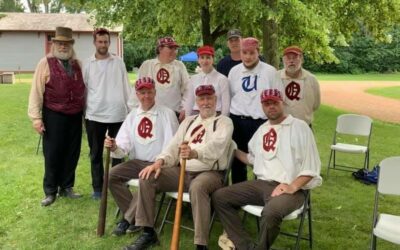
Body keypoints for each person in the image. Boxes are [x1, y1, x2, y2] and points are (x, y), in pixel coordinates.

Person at [124, 85, 234, 250]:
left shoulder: (224, 122)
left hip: (210, 173)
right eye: (202, 99)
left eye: (209, 98)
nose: (206, 102)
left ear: (215, 100)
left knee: (197, 187)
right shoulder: (189, 121)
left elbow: (217, 146)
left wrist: (194, 153)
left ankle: (201, 244)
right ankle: (148, 233)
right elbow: (173, 146)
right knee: (148, 178)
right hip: (183, 170)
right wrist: (159, 162)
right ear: (196, 101)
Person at [212, 88, 322, 250]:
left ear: (282, 103)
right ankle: (244, 245)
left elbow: (311, 167)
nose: (271, 106)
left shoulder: (300, 127)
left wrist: (292, 186)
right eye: (267, 103)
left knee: (271, 212)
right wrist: (233, 149)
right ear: (262, 106)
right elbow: (253, 159)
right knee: (220, 196)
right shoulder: (262, 129)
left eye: (274, 102)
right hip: (262, 184)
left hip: (292, 189)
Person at [104, 77, 178, 236]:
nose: (146, 96)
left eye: (149, 92)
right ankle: (135, 215)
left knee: (146, 177)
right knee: (111, 176)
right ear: (137, 94)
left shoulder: (167, 114)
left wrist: (160, 163)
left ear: (155, 92)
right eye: (142, 93)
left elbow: (172, 145)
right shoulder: (132, 116)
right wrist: (115, 146)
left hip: (159, 164)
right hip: (137, 162)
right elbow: (123, 146)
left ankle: (127, 219)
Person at [28, 26, 85, 206]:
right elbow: (36, 91)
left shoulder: (78, 64)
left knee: (72, 153)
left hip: (75, 115)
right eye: (60, 43)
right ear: (54, 44)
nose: (63, 47)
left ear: (71, 45)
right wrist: (36, 118)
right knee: (53, 153)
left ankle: (67, 187)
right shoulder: (45, 63)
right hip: (54, 115)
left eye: (66, 43)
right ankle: (50, 190)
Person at [83, 28, 134, 199]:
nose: (103, 45)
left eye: (106, 42)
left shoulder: (118, 62)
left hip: (118, 114)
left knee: (118, 152)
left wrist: (131, 110)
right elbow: (83, 89)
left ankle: (117, 183)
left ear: (109, 43)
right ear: (94, 42)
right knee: (96, 153)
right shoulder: (88, 64)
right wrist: (83, 112)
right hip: (94, 115)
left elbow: (126, 86)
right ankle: (98, 188)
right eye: (100, 41)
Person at [228, 37, 277, 184]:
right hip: (238, 121)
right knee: (237, 161)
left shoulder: (270, 72)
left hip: (261, 122)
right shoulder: (234, 72)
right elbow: (231, 96)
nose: (248, 57)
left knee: (262, 159)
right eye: (244, 53)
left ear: (258, 52)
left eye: (251, 53)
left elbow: (278, 99)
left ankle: (259, 194)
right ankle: (237, 196)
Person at [135, 36, 189, 122]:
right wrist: (138, 112)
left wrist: (185, 108)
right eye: (170, 48)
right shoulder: (147, 65)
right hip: (152, 114)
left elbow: (187, 89)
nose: (174, 51)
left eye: (175, 48)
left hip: (175, 115)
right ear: (160, 49)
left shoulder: (180, 66)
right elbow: (138, 90)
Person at [275, 46, 320, 126]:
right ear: (283, 60)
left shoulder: (311, 79)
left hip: (304, 126)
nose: (291, 61)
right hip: (281, 126)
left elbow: (316, 104)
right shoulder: (275, 77)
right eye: (288, 58)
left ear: (301, 59)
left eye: (295, 58)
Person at [183, 45, 230, 116]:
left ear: (212, 59)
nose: (205, 61)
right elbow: (189, 101)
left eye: (208, 57)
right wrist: (187, 120)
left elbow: (226, 104)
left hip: (216, 115)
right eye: (202, 57)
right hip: (196, 115)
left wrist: (222, 120)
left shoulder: (222, 79)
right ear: (198, 60)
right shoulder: (193, 79)